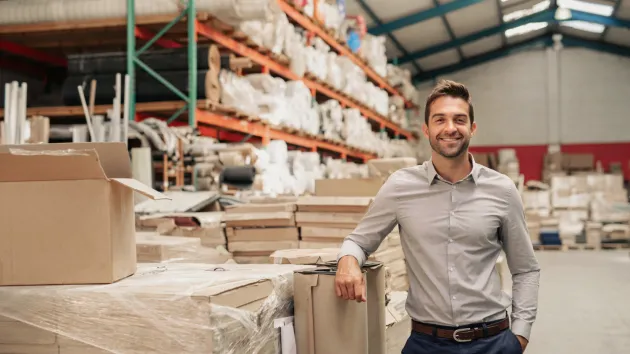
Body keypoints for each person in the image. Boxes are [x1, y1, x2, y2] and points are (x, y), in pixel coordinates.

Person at [334, 80, 540, 354]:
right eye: (440, 119)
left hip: (493, 342)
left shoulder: (501, 190)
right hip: (426, 343)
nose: (450, 128)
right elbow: (359, 241)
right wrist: (347, 262)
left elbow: (525, 268)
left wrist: (519, 337)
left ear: (472, 128)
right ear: (427, 130)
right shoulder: (400, 187)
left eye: (459, 119)